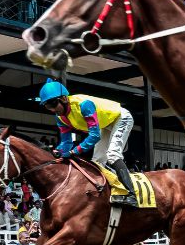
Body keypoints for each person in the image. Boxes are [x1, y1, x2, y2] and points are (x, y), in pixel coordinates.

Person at [38, 78, 138, 207]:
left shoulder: (84, 105)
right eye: (47, 106)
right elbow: (66, 143)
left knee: (113, 154)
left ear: (63, 98)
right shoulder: (60, 118)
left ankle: (132, 195)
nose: (52, 110)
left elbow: (94, 136)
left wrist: (74, 151)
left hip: (121, 118)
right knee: (97, 162)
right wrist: (58, 151)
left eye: (52, 104)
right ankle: (109, 192)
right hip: (105, 125)